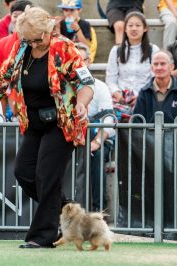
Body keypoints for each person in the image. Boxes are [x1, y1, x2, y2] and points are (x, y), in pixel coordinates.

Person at [0, 7, 94, 249]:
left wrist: (81, 103)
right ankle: (72, 217)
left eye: (39, 39)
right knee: (23, 172)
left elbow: (85, 82)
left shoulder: (64, 48)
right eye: (29, 40)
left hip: (62, 122)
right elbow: (2, 78)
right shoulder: (21, 48)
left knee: (46, 176)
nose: (35, 44)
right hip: (34, 122)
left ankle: (42, 237)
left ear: (49, 31)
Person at [71, 43, 115, 212]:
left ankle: (98, 212)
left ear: (88, 62)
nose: (77, 66)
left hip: (96, 138)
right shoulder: (65, 85)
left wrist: (96, 141)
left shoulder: (100, 87)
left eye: (81, 61)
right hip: (70, 137)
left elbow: (109, 119)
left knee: (96, 154)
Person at [106, 11, 159, 116]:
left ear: (145, 28)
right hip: (120, 99)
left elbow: (155, 79)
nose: (134, 28)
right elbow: (110, 79)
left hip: (145, 98)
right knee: (109, 116)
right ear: (125, 29)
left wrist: (141, 96)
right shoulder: (116, 50)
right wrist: (117, 94)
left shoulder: (153, 50)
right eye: (130, 25)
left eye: (138, 25)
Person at [133, 50, 177, 123]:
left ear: (171, 67)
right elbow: (137, 123)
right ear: (152, 68)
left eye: (163, 64)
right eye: (155, 64)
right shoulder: (144, 92)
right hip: (150, 134)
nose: (159, 68)